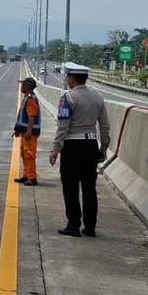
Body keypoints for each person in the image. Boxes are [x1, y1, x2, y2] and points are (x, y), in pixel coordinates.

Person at [49, 62, 111, 237]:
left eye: (68, 77)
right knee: (89, 188)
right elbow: (105, 126)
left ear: (72, 78)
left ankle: (73, 224)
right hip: (91, 145)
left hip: (72, 147)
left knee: (71, 187)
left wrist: (55, 149)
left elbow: (63, 126)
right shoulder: (98, 98)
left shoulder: (68, 98)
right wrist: (104, 147)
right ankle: (90, 227)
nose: (68, 80)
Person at [13, 77, 41, 186]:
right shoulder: (27, 97)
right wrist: (17, 130)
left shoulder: (31, 99)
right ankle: (26, 175)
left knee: (29, 154)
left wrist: (29, 131)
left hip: (30, 133)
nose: (22, 86)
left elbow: (31, 116)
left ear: (28, 86)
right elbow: (22, 117)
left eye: (23, 84)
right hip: (25, 132)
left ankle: (32, 178)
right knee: (24, 154)